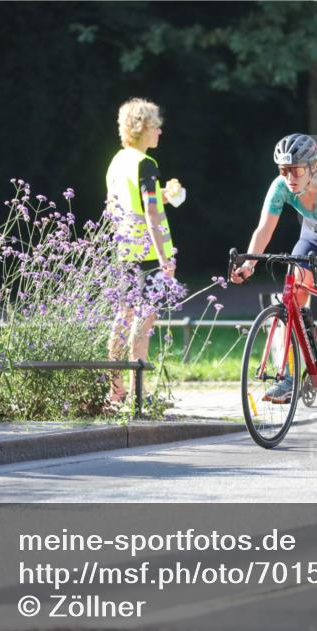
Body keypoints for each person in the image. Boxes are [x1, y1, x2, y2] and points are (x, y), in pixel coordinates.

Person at [230, 133, 317, 403]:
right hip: (311, 236)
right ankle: (291, 374)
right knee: (292, 295)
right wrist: (249, 263)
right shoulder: (280, 186)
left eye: (296, 170)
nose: (290, 177)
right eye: (284, 170)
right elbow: (264, 229)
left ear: (312, 167)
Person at [104, 97, 184, 404]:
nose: (160, 132)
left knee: (122, 318)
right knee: (143, 321)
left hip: (124, 250)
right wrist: (165, 258)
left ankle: (115, 391)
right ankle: (138, 392)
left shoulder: (118, 160)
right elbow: (150, 214)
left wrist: (164, 195)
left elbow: (121, 204)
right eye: (156, 126)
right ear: (143, 128)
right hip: (149, 253)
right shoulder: (146, 164)